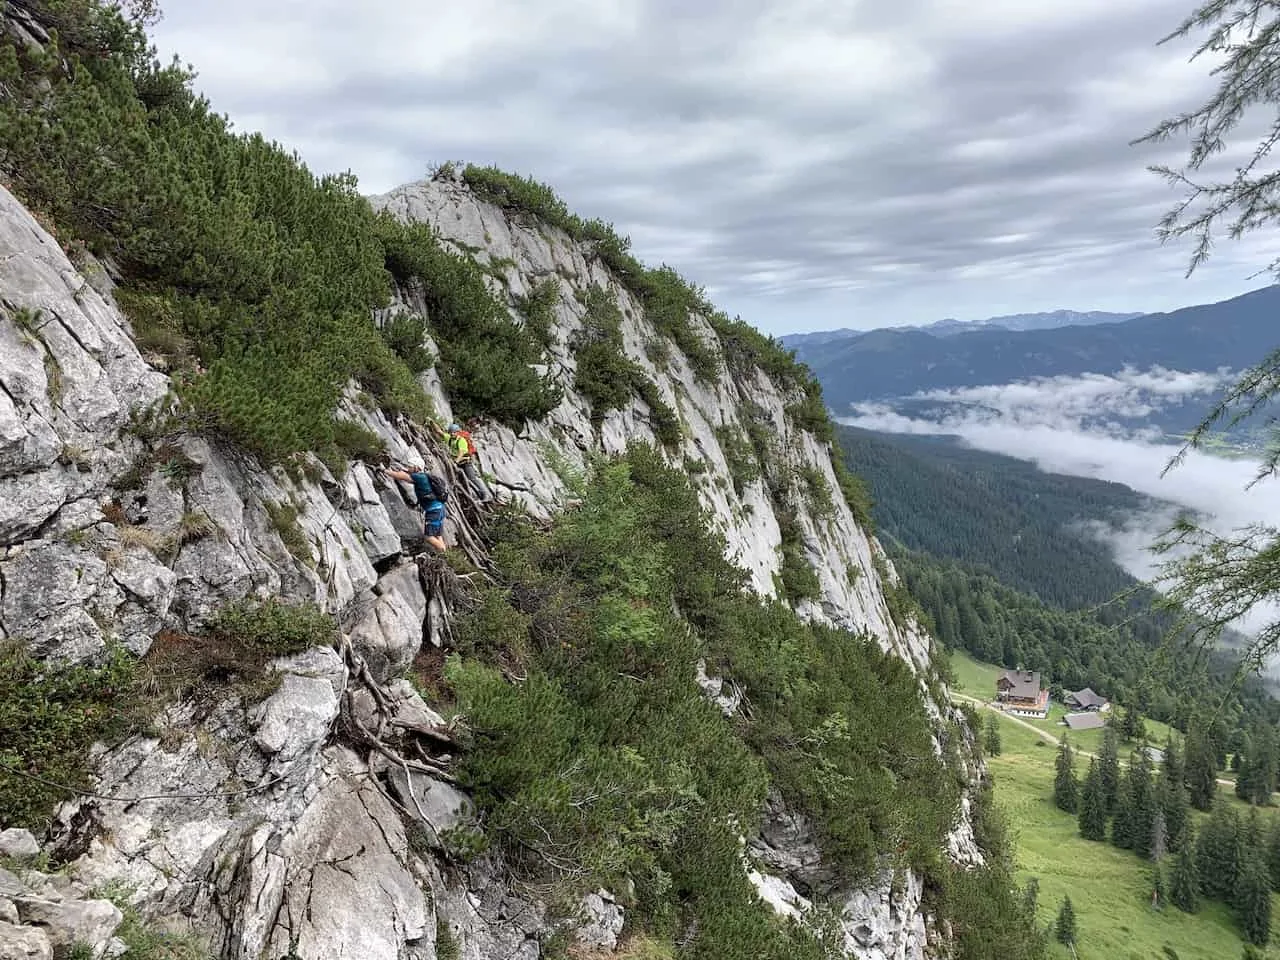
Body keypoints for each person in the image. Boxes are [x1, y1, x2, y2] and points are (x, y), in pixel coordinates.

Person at [382, 465, 447, 553]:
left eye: (410, 466)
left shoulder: (419, 477)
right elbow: (405, 473)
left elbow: (402, 476)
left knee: (429, 537)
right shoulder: (425, 476)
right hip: (440, 509)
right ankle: (445, 554)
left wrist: (385, 471)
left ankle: (444, 553)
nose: (409, 468)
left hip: (433, 511)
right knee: (438, 535)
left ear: (416, 467)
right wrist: (403, 470)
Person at [430, 420, 493, 502]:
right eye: (451, 432)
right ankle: (474, 495)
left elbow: (461, 452)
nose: (452, 434)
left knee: (472, 479)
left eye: (454, 432)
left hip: (465, 462)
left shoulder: (461, 440)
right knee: (462, 481)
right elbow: (439, 432)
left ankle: (485, 494)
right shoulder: (449, 438)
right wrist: (431, 421)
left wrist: (456, 462)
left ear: (458, 432)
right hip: (457, 463)